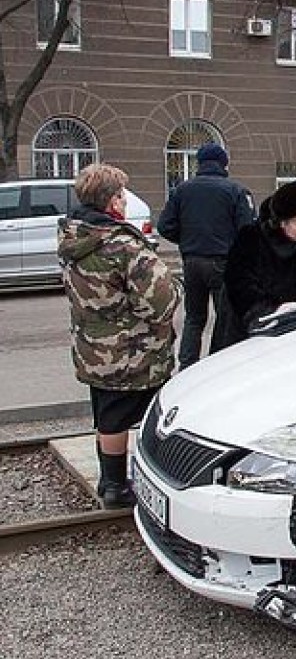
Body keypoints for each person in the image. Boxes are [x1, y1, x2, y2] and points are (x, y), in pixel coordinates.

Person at [57, 163, 181, 508]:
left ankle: (110, 482)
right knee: (147, 417)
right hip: (133, 351)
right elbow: (159, 303)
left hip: (93, 347)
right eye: (121, 195)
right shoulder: (123, 246)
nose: (124, 201)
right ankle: (126, 487)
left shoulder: (73, 236)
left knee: (107, 416)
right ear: (112, 201)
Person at [214, 180, 296, 349]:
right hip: (246, 328)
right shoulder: (252, 238)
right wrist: (272, 310)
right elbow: (239, 286)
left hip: (292, 325)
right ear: (282, 222)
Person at [157, 142, 254, 369]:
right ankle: (220, 365)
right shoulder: (236, 191)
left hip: (192, 261)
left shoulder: (182, 190)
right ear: (224, 163)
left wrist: (188, 241)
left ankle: (187, 365)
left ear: (199, 164)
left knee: (194, 317)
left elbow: (165, 226)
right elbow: (247, 231)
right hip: (223, 262)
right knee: (226, 319)